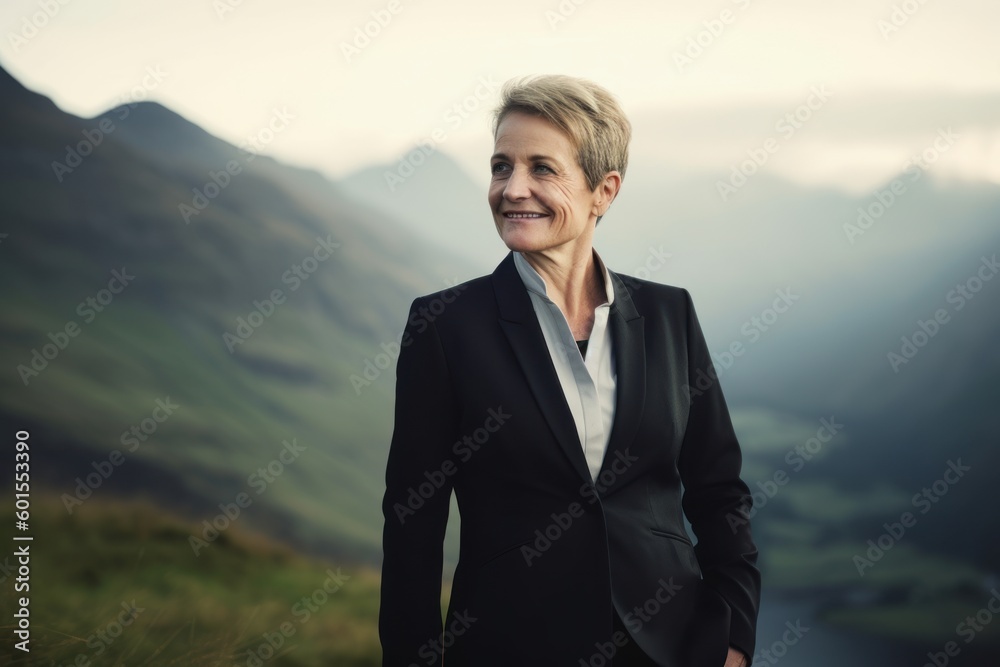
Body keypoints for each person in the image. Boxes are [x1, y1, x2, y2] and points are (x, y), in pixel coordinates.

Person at [379, 74, 760, 666]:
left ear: (603, 191)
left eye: (542, 168)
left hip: (675, 646)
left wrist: (734, 638)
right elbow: (413, 523)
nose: (513, 189)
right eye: (501, 166)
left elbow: (719, 492)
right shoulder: (444, 326)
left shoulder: (669, 314)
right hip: (509, 646)